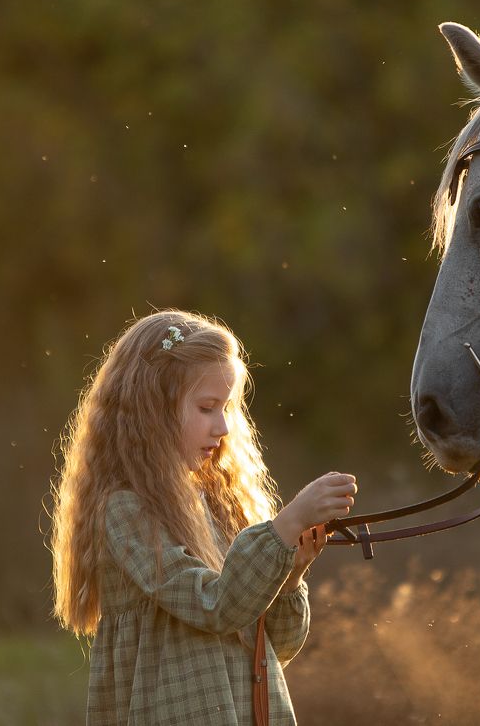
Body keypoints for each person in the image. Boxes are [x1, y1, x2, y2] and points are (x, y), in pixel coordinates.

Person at [50, 309, 357, 725]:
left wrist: (289, 577)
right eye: (207, 408)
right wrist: (286, 524)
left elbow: (272, 648)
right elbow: (214, 606)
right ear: (152, 409)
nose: (224, 427)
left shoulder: (217, 504)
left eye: (227, 407)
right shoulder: (126, 511)